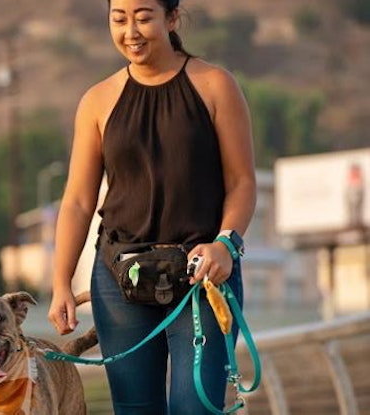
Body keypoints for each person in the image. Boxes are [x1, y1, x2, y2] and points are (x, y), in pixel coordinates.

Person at [47, 0, 256, 413]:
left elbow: (242, 182)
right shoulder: (97, 100)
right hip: (119, 277)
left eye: (144, 17)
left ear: (172, 18)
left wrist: (225, 244)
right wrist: (60, 284)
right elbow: (77, 201)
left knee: (194, 407)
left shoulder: (215, 85)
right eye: (119, 18)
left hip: (203, 279)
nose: (131, 31)